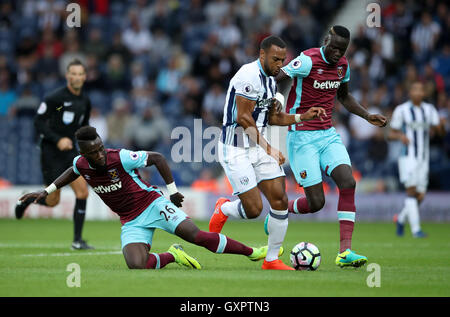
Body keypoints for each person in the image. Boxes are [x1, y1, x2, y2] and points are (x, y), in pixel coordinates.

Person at [19, 126, 274, 270]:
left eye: (100, 147)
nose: (99, 154)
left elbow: (158, 158)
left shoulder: (119, 157)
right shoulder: (81, 163)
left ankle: (252, 252)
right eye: (93, 152)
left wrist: (172, 191)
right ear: (83, 153)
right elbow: (71, 171)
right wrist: (48, 191)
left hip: (153, 204)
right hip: (130, 220)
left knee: (195, 236)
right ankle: (173, 255)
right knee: (136, 265)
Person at [208, 35, 325, 270]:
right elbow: (243, 118)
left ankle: (271, 259)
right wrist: (269, 147)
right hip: (236, 148)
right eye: (275, 59)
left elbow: (273, 117)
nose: (280, 64)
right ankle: (224, 208)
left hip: (259, 146)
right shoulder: (248, 77)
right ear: (262, 55)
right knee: (253, 210)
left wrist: (303, 116)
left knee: (280, 199)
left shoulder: (272, 81)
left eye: (283, 59)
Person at [275, 26, 387, 267]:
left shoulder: (342, 65)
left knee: (348, 182)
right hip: (301, 135)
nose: (337, 53)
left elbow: (344, 97)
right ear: (326, 40)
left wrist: (367, 116)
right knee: (316, 202)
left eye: (342, 49)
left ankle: (345, 252)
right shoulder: (307, 60)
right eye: (334, 47)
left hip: (327, 134)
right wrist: (271, 99)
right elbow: (277, 75)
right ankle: (281, 209)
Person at [15, 59, 93, 250]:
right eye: (73, 73)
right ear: (67, 76)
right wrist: (57, 139)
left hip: (70, 152)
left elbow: (83, 127)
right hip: (51, 152)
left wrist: (87, 146)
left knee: (83, 192)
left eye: (80, 73)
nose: (76, 77)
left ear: (84, 77)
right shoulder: (56, 100)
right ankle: (27, 198)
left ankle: (77, 240)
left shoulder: (85, 101)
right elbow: (39, 121)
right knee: (53, 201)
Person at [388, 81, 445, 238]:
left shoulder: (429, 110)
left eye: (421, 90)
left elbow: (440, 133)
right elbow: (390, 134)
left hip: (423, 158)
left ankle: (400, 219)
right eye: (415, 90)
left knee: (420, 196)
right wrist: (400, 136)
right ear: (410, 93)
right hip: (408, 157)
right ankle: (416, 230)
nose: (418, 93)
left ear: (424, 93)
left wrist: (441, 125)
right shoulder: (402, 110)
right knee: (411, 192)